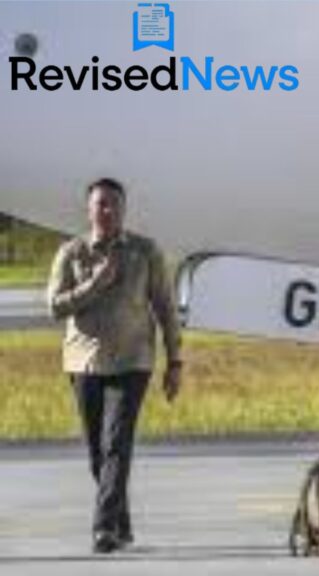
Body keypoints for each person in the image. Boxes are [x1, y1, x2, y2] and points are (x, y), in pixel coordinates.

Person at [46, 177, 182, 554]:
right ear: (88, 209)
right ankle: (121, 522)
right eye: (101, 204)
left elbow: (166, 308)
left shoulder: (145, 252)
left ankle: (103, 528)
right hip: (84, 362)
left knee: (116, 443)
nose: (108, 211)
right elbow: (54, 306)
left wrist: (175, 360)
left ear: (124, 209)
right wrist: (93, 284)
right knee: (97, 451)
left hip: (132, 361)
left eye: (114, 204)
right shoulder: (71, 253)